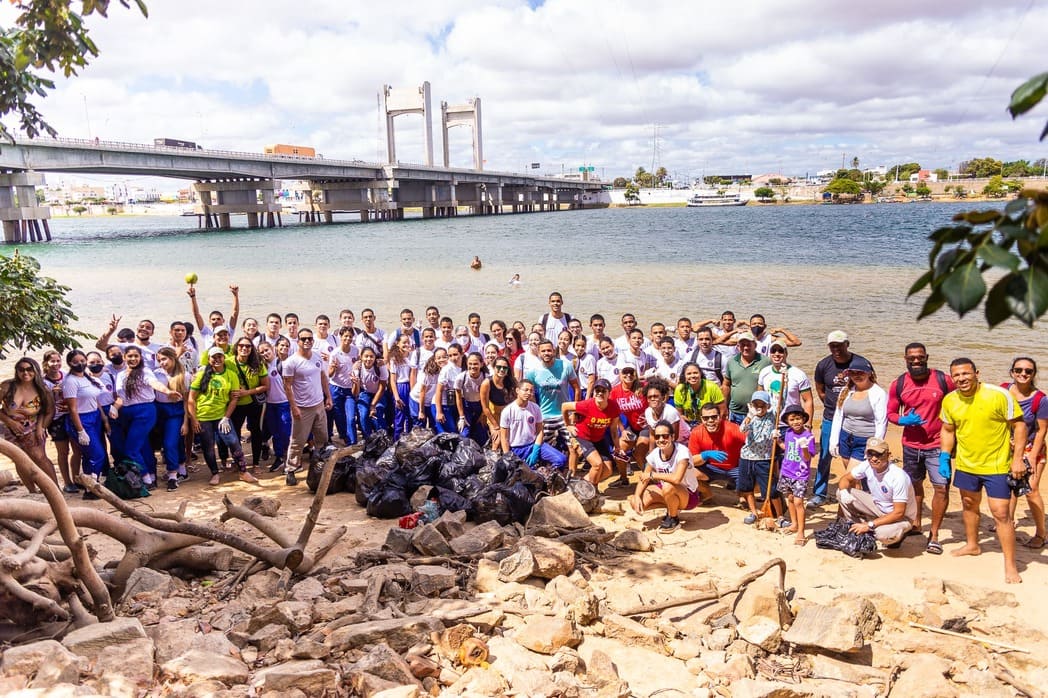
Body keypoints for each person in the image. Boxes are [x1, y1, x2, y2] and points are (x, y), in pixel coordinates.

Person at [939, 358, 1027, 584]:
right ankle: (972, 545)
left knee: (1001, 513)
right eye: (956, 376)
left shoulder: (998, 395)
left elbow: (1019, 426)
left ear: (977, 373)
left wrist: (1017, 459)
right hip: (967, 465)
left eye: (966, 374)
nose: (961, 379)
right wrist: (944, 456)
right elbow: (948, 430)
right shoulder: (950, 400)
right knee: (969, 504)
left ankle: (1010, 565)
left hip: (996, 465)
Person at [886, 342, 955, 554]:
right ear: (905, 359)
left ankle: (934, 535)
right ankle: (916, 523)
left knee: (941, 487)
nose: (916, 361)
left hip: (938, 444)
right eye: (911, 358)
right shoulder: (898, 384)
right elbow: (890, 413)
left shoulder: (944, 380)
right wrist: (903, 420)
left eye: (920, 357)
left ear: (927, 357)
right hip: (911, 445)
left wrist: (953, 446)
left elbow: (959, 405)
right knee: (914, 486)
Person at [811, 331, 873, 507]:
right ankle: (819, 493)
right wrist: (833, 406)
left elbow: (870, 386)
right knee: (824, 455)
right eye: (832, 346)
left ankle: (866, 491)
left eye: (839, 345)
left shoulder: (860, 363)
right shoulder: (823, 365)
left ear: (847, 344)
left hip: (856, 420)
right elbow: (821, 390)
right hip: (831, 417)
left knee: (862, 457)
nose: (836, 349)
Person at [188, 346, 256, 486]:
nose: (217, 359)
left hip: (221, 416)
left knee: (233, 442)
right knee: (208, 447)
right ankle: (214, 473)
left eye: (220, 356)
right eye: (214, 357)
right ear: (209, 359)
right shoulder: (201, 375)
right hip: (204, 417)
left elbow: (234, 399)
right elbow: (191, 399)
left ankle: (243, 471)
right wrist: (194, 419)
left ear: (224, 358)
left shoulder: (231, 375)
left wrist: (226, 417)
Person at [836, 438, 917, 550]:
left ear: (888, 455)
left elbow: (899, 512)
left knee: (881, 534)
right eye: (870, 454)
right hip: (878, 507)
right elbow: (845, 479)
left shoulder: (898, 477)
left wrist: (869, 525)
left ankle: (898, 534)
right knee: (840, 492)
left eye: (878, 455)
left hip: (901, 518)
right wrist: (844, 493)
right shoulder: (866, 465)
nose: (874, 458)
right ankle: (857, 529)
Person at [1002, 357, 1048, 550]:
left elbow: (1041, 431)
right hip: (1007, 448)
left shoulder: (1041, 399)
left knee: (1031, 490)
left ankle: (1041, 533)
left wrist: (1031, 456)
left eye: (1028, 371)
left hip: (1031, 449)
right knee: (1009, 488)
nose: (1023, 374)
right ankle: (1008, 523)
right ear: (1012, 372)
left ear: (1033, 374)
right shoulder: (1003, 391)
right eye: (1019, 370)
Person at [629, 419, 701, 532]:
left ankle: (673, 519)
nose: (661, 440)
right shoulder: (654, 454)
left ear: (672, 437)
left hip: (688, 495)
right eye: (657, 437)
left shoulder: (682, 452)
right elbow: (644, 477)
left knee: (668, 486)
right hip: (669, 490)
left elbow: (677, 479)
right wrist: (637, 495)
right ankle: (672, 506)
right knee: (635, 501)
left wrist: (653, 475)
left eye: (665, 436)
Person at [282, 328, 333, 486]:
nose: (307, 341)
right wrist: (294, 407)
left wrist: (328, 397)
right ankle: (290, 470)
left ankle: (319, 467)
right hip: (302, 408)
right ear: (298, 341)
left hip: (318, 405)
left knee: (322, 439)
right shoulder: (291, 362)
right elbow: (287, 386)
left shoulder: (317, 357)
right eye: (303, 339)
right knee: (297, 441)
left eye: (309, 339)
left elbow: (323, 377)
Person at [0, 357, 58, 492]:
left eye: (29, 369)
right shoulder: (7, 386)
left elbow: (49, 411)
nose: (25, 373)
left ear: (35, 370)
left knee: (40, 457)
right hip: (9, 429)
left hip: (33, 428)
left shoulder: (42, 389)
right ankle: (32, 491)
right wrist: (10, 421)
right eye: (21, 369)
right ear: (17, 371)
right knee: (19, 459)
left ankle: (54, 489)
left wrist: (41, 428)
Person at [111, 346, 165, 485]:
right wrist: (115, 408)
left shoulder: (145, 371)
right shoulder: (121, 375)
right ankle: (152, 475)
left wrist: (167, 391)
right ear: (124, 357)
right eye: (130, 356)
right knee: (143, 445)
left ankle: (146, 478)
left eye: (136, 356)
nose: (133, 359)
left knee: (131, 449)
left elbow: (155, 384)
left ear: (140, 357)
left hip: (144, 411)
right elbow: (121, 397)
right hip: (127, 412)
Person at [62, 350, 108, 498]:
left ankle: (89, 488)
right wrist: (80, 430)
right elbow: (72, 409)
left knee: (89, 456)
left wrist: (104, 418)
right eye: (76, 362)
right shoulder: (70, 381)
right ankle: (92, 485)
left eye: (83, 361)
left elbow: (95, 399)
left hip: (94, 417)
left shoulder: (87, 378)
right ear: (70, 363)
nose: (80, 364)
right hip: (82, 419)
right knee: (98, 454)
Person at [829, 356, 887, 472]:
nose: (857, 376)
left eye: (861, 372)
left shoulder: (878, 393)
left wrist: (874, 446)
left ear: (869, 373)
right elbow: (838, 416)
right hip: (845, 437)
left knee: (852, 475)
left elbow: (881, 422)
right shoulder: (846, 391)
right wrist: (833, 440)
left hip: (865, 440)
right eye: (853, 373)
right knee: (856, 478)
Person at [562, 378, 621, 486]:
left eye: (603, 391)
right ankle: (591, 491)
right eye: (597, 390)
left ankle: (582, 486)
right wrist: (568, 425)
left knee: (608, 470)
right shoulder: (587, 405)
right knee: (597, 464)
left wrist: (617, 446)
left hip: (598, 438)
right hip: (583, 437)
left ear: (609, 393)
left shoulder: (614, 407)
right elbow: (565, 406)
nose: (600, 393)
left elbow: (613, 430)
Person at [525, 339, 579, 451]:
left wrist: (574, 412)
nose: (546, 353)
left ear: (554, 351)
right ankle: (548, 468)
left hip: (565, 414)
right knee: (544, 447)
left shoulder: (566, 365)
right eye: (543, 351)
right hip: (545, 415)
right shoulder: (533, 371)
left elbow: (576, 388)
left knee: (573, 446)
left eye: (549, 350)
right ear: (539, 353)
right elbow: (529, 393)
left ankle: (571, 469)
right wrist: (536, 412)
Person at [688, 402, 746, 505]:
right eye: (706, 418)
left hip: (734, 468)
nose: (710, 421)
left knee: (754, 474)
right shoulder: (696, 433)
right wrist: (705, 455)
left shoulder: (733, 429)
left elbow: (750, 441)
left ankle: (742, 495)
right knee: (687, 472)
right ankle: (707, 494)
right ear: (701, 419)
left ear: (720, 417)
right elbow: (691, 461)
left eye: (714, 417)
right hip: (711, 468)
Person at [500, 380, 567, 469]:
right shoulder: (508, 411)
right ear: (517, 390)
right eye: (525, 390)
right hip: (516, 449)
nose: (528, 393)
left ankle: (548, 477)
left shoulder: (535, 408)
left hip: (533, 445)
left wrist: (536, 450)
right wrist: (507, 457)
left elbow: (540, 431)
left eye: (531, 391)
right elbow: (504, 438)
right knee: (524, 475)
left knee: (561, 459)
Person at [738, 390, 781, 524]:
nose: (759, 408)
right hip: (747, 457)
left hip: (765, 458)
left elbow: (780, 406)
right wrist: (750, 416)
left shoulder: (773, 416)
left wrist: (779, 394)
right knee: (747, 487)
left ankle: (780, 516)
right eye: (756, 404)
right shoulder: (750, 417)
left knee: (771, 489)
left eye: (762, 405)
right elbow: (742, 430)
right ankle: (754, 512)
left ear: (767, 406)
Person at [229, 337, 269, 468]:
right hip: (235, 404)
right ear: (236, 347)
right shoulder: (229, 362)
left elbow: (265, 386)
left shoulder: (258, 363)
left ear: (252, 349)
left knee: (256, 431)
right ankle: (239, 461)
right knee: (235, 434)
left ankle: (256, 463)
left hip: (253, 403)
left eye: (248, 346)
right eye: (241, 345)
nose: (244, 348)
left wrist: (246, 392)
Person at [779, 405, 816, 545]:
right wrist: (778, 441)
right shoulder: (788, 433)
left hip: (800, 474)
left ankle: (801, 531)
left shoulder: (808, 436)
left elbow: (807, 459)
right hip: (786, 471)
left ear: (804, 419)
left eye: (798, 418)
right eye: (792, 419)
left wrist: (805, 447)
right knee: (789, 498)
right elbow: (786, 448)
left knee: (799, 502)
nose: (796, 422)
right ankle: (794, 524)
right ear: (788, 422)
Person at [153, 347, 190, 490]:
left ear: (173, 358)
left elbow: (187, 401)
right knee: (172, 441)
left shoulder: (183, 376)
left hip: (175, 411)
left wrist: (186, 422)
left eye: (164, 359)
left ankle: (172, 475)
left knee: (170, 443)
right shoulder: (156, 374)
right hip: (159, 409)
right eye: (159, 360)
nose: (162, 363)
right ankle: (182, 470)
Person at [42, 350, 77, 492]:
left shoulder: (67, 375)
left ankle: (77, 478)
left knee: (77, 450)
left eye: (58, 360)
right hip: (56, 420)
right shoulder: (43, 382)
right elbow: (44, 405)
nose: (55, 364)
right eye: (52, 361)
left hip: (71, 415)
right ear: (46, 363)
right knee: (63, 452)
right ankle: (67, 482)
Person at [757, 340, 814, 422]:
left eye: (780, 351)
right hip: (769, 422)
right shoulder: (764, 372)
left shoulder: (798, 374)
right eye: (773, 351)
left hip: (792, 423)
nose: (777, 354)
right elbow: (760, 397)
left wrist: (807, 424)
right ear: (770, 354)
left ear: (786, 354)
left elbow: (808, 400)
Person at [721, 331, 770, 424]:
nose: (746, 347)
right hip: (735, 412)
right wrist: (724, 407)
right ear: (738, 347)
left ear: (755, 345)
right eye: (742, 345)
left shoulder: (765, 361)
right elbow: (726, 385)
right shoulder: (731, 361)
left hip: (757, 412)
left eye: (749, 344)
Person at [260, 339, 292, 473]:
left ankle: (289, 459)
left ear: (273, 348)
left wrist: (293, 404)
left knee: (286, 433)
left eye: (266, 350)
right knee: (275, 433)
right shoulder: (262, 368)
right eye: (261, 352)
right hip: (270, 405)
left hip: (284, 403)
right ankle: (279, 458)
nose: (265, 353)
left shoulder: (283, 364)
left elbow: (291, 385)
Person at [328, 327, 361, 445]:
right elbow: (330, 375)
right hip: (336, 388)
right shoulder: (335, 353)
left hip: (350, 389)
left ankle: (353, 442)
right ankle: (344, 436)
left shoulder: (356, 351)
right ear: (340, 337)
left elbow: (359, 366)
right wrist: (333, 368)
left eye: (350, 337)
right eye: (345, 336)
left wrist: (357, 366)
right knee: (339, 416)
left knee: (351, 417)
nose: (348, 339)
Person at [187, 283, 239, 350]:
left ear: (223, 320)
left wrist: (235, 295)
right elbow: (196, 315)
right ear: (209, 321)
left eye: (218, 319)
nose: (216, 321)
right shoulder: (206, 332)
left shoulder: (228, 331)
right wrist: (193, 297)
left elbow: (235, 313)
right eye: (213, 319)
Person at [674, 362, 726, 428]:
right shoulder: (680, 389)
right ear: (684, 376)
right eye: (689, 374)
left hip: (710, 423)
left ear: (700, 374)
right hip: (689, 424)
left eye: (695, 373)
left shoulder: (712, 387)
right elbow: (679, 414)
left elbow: (722, 411)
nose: (692, 376)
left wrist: (715, 425)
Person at [481, 355, 516, 451]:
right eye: (499, 367)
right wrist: (495, 426)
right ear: (493, 367)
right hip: (493, 415)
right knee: (498, 440)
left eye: (505, 368)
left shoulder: (511, 382)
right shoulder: (487, 383)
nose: (501, 370)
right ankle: (493, 461)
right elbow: (485, 408)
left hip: (509, 415)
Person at [352, 346, 388, 438]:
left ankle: (382, 437)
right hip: (365, 393)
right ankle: (368, 438)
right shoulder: (358, 368)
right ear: (361, 357)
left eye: (371, 356)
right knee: (363, 415)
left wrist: (373, 405)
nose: (368, 359)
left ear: (375, 357)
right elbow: (355, 393)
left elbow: (382, 387)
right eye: (366, 356)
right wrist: (356, 383)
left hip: (379, 393)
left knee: (377, 412)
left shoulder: (380, 366)